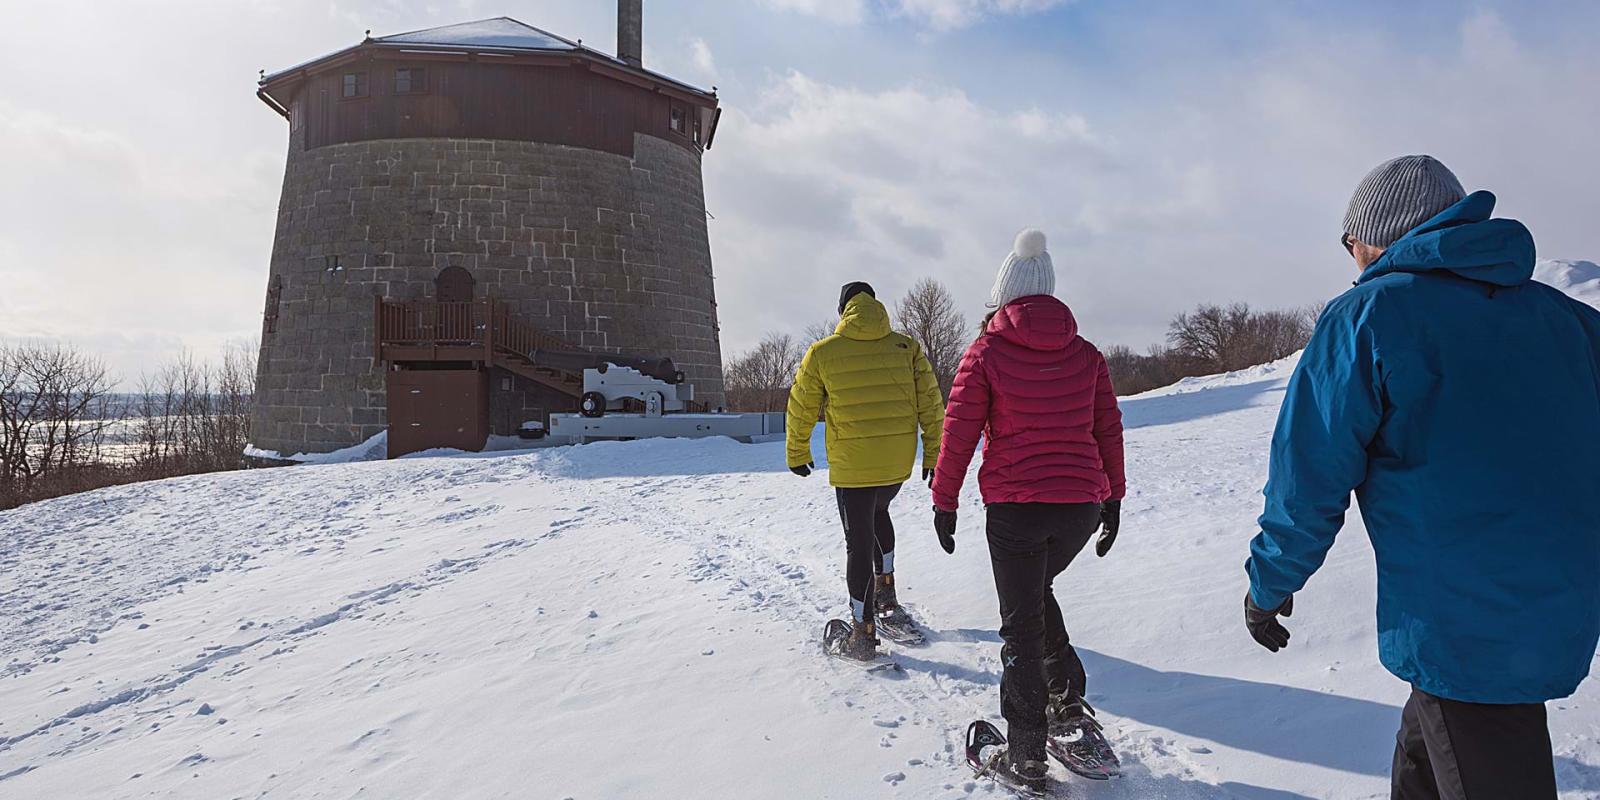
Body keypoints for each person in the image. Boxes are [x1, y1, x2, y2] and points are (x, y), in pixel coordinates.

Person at [1242, 155, 1600, 800]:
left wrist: (1269, 584)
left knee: (1479, 732)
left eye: (1349, 243)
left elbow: (1309, 476)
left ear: (1380, 234)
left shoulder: (1370, 315)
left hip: (1459, 614)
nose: (1351, 259)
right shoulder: (1571, 320)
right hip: (1562, 594)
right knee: (1431, 742)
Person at [930, 230, 1126, 792]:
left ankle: (1027, 754)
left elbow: (960, 430)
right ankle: (1067, 704)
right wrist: (1111, 497)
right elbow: (1106, 427)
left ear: (1003, 294)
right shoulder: (1086, 353)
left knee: (1021, 627)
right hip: (1078, 509)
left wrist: (945, 502)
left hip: (1016, 511)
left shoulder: (987, 351)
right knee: (1036, 597)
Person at [786, 281, 945, 661]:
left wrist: (797, 451)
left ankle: (862, 632)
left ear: (843, 311)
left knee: (858, 541)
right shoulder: (905, 346)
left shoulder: (823, 353)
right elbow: (932, 402)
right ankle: (886, 593)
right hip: (895, 463)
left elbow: (802, 405)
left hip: (854, 466)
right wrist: (933, 455)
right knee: (879, 513)